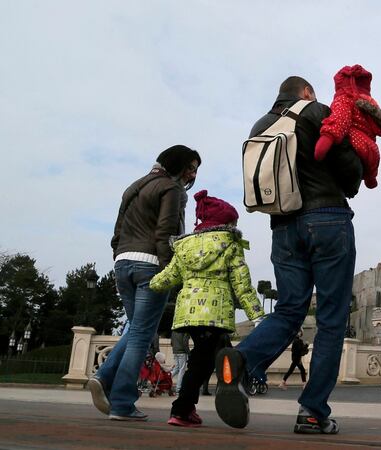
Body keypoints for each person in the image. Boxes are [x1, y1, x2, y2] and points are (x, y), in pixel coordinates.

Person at [214, 76, 363, 434]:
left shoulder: (260, 125)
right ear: (307, 92)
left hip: (282, 227)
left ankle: (242, 357)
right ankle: (312, 411)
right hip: (327, 219)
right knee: (330, 319)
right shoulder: (315, 112)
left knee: (289, 309)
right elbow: (352, 174)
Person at [88, 145, 200, 421]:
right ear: (179, 165)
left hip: (123, 263)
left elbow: (118, 230)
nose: (193, 174)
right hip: (150, 264)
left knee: (137, 329)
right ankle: (122, 403)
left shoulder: (134, 186)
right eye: (191, 167)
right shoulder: (171, 190)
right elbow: (166, 231)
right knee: (140, 335)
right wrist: (169, 270)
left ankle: (103, 376)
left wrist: (118, 254)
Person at [150, 190, 265, 427]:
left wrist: (151, 284)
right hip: (215, 314)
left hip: (188, 314)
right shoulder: (231, 244)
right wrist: (258, 316)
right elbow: (242, 285)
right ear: (226, 222)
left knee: (218, 351)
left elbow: (168, 277)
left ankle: (227, 388)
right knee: (201, 362)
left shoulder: (184, 246)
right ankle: (182, 410)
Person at [314, 64, 381, 189]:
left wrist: (326, 138)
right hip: (372, 152)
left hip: (355, 145)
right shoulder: (368, 104)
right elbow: (376, 128)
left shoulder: (344, 99)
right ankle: (371, 177)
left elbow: (340, 120)